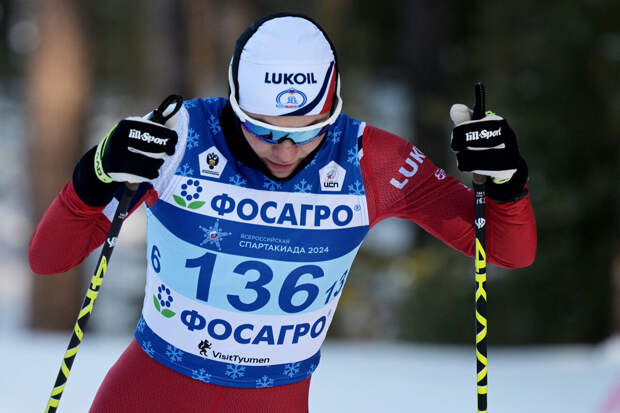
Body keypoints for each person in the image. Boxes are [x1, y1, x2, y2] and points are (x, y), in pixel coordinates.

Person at [29, 12, 536, 413]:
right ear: (235, 104)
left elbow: (508, 252)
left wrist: (507, 180)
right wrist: (97, 171)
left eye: (307, 131)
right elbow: (49, 258)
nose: (285, 150)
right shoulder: (182, 138)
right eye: (263, 129)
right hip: (147, 396)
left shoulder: (373, 161)